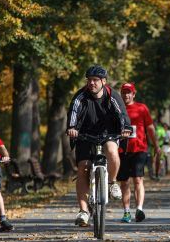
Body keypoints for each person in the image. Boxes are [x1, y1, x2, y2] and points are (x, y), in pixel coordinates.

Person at [66, 65, 129, 227]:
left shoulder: (112, 95)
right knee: (83, 167)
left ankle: (112, 183)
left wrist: (125, 128)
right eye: (89, 80)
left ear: (103, 81)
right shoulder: (80, 96)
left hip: (108, 133)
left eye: (95, 80)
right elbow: (73, 112)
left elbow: (122, 114)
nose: (92, 83)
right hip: (84, 134)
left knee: (112, 151)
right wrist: (72, 128)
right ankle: (84, 211)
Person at [118, 82, 160, 223]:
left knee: (138, 179)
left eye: (129, 92)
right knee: (124, 182)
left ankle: (139, 209)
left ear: (134, 94)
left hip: (139, 148)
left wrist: (156, 146)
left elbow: (150, 128)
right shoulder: (117, 108)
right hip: (121, 150)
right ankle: (126, 212)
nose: (126, 95)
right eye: (124, 92)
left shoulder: (141, 108)